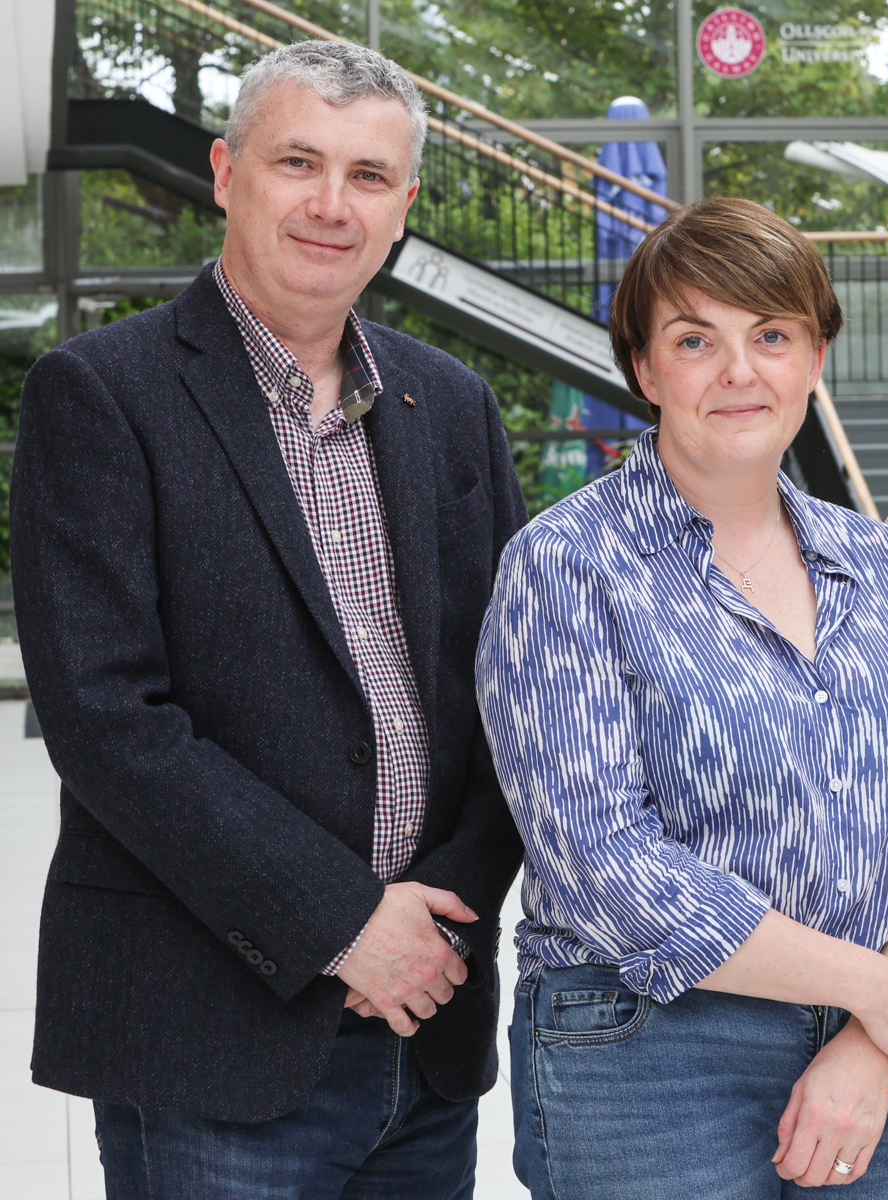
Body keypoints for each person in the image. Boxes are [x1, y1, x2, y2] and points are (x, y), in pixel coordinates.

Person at [11, 40, 527, 1197]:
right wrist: (346, 923)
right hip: (212, 1032)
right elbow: (108, 722)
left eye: (369, 175)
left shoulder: (451, 404)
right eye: (299, 162)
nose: (331, 205)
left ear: (403, 207)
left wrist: (441, 923)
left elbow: (515, 691)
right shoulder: (102, 394)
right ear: (226, 172)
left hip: (425, 1027)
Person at [474, 196, 888, 1198]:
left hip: (871, 1059)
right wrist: (877, 990)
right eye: (694, 338)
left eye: (771, 335)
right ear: (644, 368)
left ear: (815, 355)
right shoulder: (565, 566)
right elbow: (603, 861)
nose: (738, 371)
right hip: (650, 1056)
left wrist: (867, 1039)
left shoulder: (884, 564)